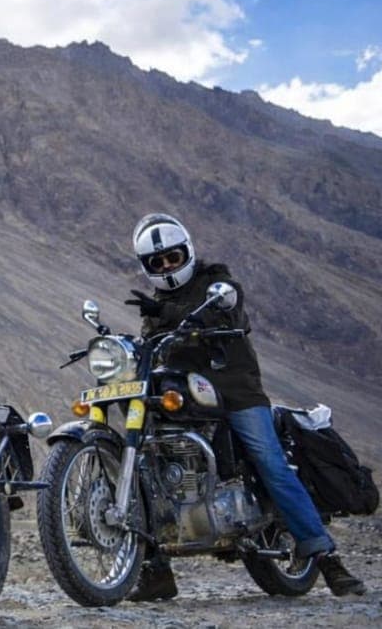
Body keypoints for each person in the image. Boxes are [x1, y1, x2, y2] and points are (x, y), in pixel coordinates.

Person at [122, 213, 366, 600]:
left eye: (173, 257)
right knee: (146, 462)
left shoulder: (218, 283)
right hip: (188, 393)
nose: (167, 266)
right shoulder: (157, 305)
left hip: (236, 391)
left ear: (187, 252)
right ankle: (155, 569)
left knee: (269, 462)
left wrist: (171, 317)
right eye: (158, 262)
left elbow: (227, 311)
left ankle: (328, 560)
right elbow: (155, 347)